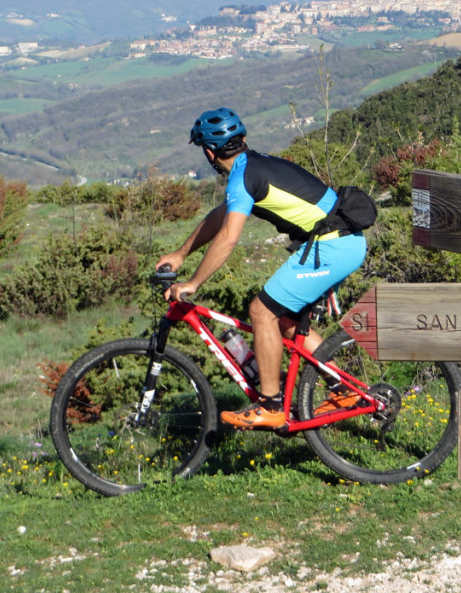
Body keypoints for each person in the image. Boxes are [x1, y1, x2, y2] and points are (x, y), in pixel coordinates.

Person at [156, 107, 368, 429]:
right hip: (339, 242)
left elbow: (228, 237)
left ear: (209, 152)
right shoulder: (253, 166)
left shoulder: (243, 176)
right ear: (241, 140)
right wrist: (182, 253)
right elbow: (222, 215)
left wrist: (193, 283)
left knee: (260, 311)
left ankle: (269, 405)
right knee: (282, 319)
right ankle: (341, 389)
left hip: (332, 245)